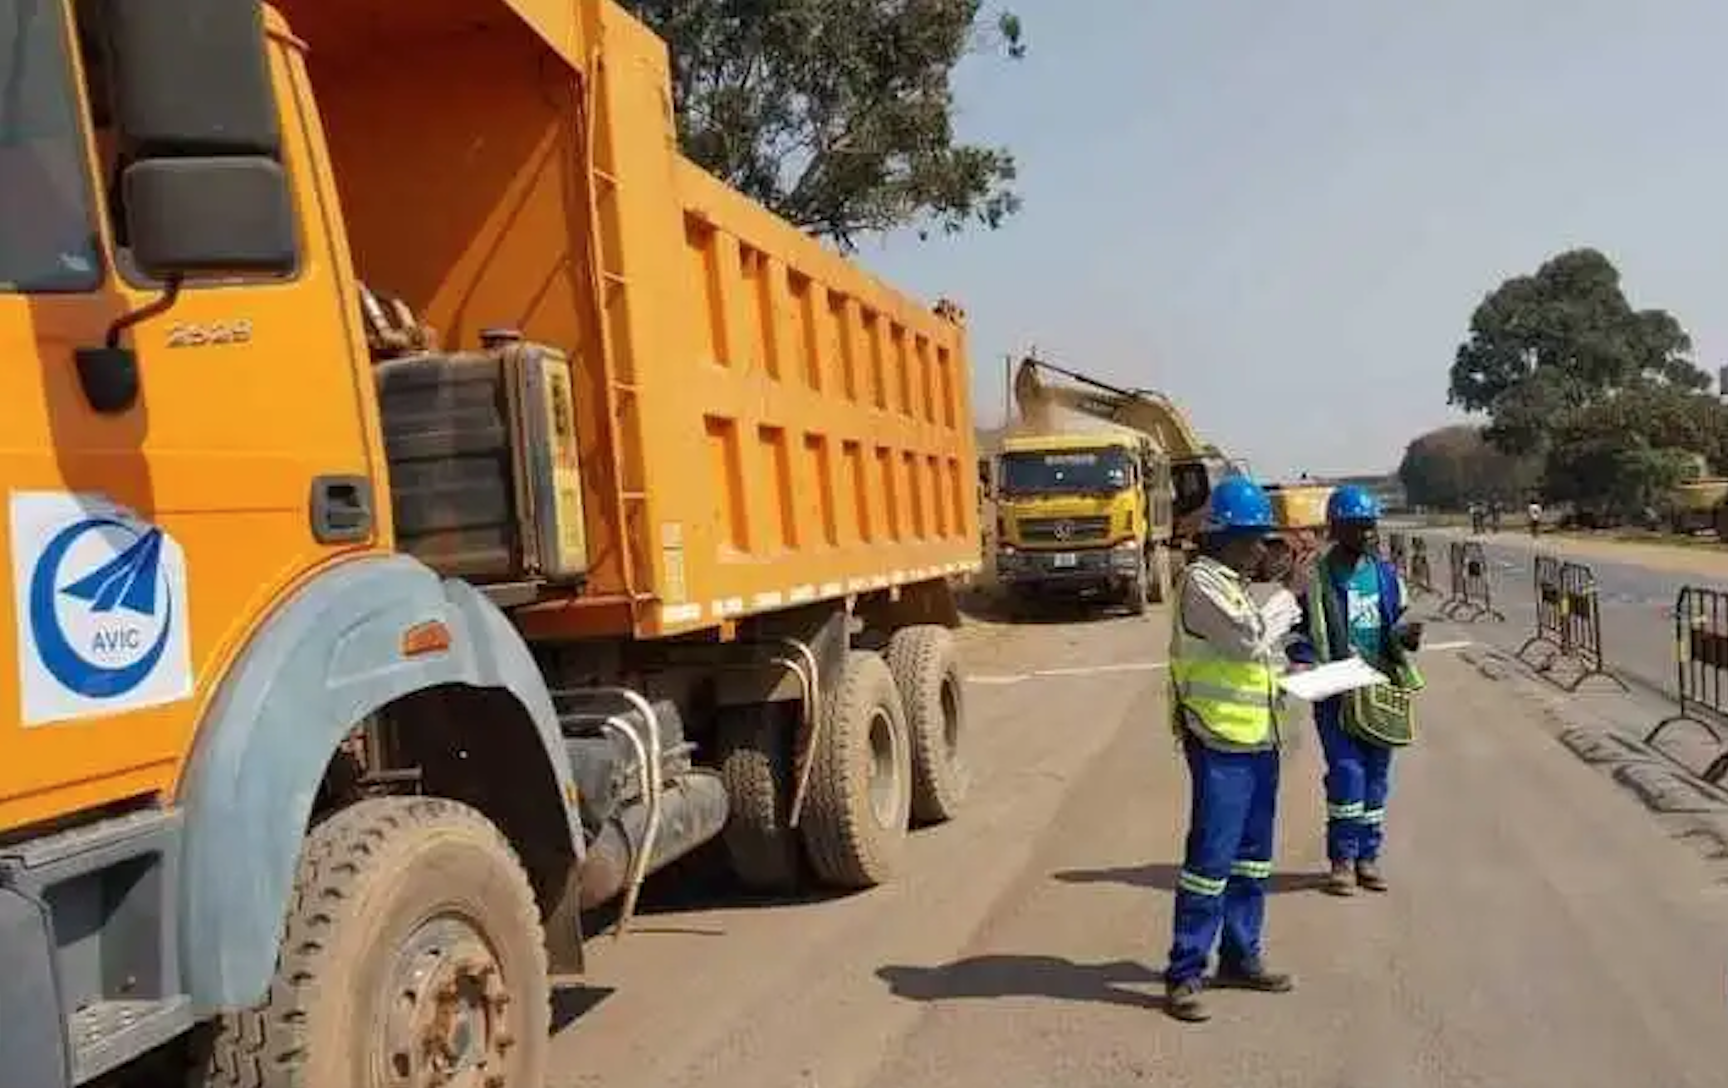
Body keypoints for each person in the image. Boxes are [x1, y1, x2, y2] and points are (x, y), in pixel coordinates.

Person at [1162, 474, 1303, 1022]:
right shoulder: (1203, 584)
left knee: (1252, 860)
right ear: (1220, 537)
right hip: (1219, 741)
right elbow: (1244, 640)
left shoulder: (1236, 583)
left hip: (1259, 739)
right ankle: (1185, 972)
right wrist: (1289, 596)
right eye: (1250, 538)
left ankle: (1241, 955)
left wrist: (1296, 668)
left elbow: (1258, 655)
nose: (1259, 548)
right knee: (1209, 862)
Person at [1287, 485, 1424, 896]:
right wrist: (1303, 655)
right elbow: (1297, 629)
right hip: (1336, 688)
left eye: (1370, 526)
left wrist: (1405, 636)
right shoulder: (1315, 578)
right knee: (1348, 773)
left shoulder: (1384, 575)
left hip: (1379, 686)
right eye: (1357, 527)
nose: (1367, 534)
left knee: (1377, 779)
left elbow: (1395, 622)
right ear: (1336, 529)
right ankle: (1342, 860)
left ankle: (1368, 857)